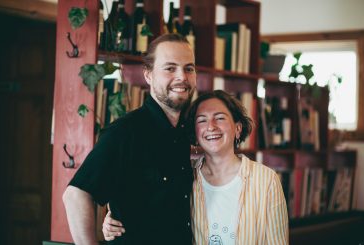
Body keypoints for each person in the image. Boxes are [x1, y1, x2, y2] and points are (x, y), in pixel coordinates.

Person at [103, 90, 289, 244]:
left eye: (220, 118)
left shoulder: (266, 180)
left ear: (237, 128)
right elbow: (150, 212)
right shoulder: (183, 176)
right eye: (202, 120)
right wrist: (112, 220)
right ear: (195, 132)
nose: (211, 127)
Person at [62, 33, 197, 245]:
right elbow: (75, 195)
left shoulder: (187, 131)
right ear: (149, 75)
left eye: (189, 68)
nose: (182, 76)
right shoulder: (126, 132)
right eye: (170, 68)